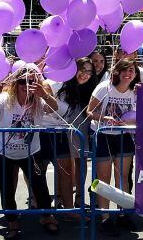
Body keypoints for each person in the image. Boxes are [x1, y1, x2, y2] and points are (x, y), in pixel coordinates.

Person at [0, 65, 61, 239]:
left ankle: (46, 217)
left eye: (31, 81)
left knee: (40, 187)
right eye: (22, 81)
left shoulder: (38, 100)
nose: (27, 84)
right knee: (7, 189)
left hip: (31, 152)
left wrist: (45, 94)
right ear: (16, 83)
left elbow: (56, 110)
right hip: (3, 152)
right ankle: (12, 222)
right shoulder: (4, 99)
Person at [86, 59, 139, 236]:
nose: (128, 73)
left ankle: (123, 213)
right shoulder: (104, 87)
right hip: (102, 135)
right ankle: (105, 217)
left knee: (122, 177)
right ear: (116, 72)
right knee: (103, 177)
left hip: (123, 136)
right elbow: (89, 112)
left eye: (131, 70)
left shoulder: (135, 91)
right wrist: (104, 118)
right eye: (124, 70)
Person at [43, 57, 99, 214]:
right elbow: (50, 104)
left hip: (75, 131)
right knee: (53, 171)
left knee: (74, 168)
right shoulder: (60, 83)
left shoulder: (90, 87)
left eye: (89, 71)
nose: (85, 74)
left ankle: (75, 203)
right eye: (83, 70)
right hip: (53, 132)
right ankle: (50, 206)